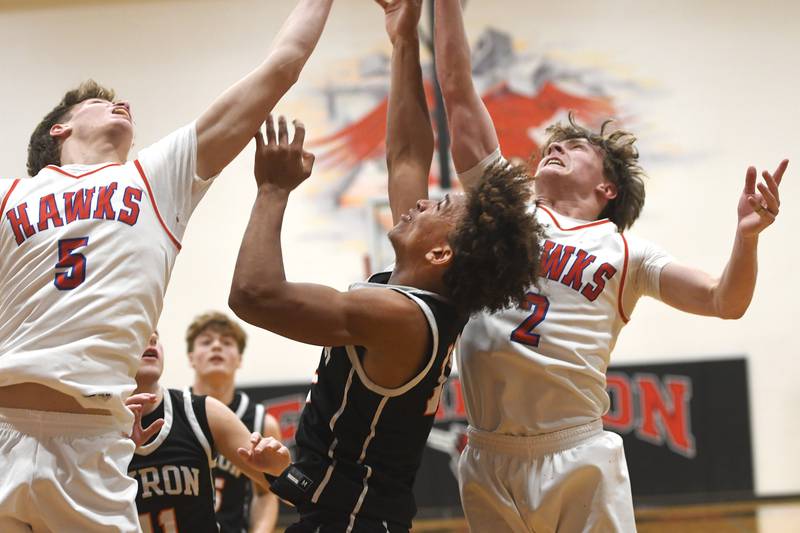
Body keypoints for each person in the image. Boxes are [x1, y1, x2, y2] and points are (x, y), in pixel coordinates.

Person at [433, 1, 789, 531]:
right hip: (487, 451)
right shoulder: (504, 209)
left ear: (608, 187)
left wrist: (746, 239)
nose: (556, 147)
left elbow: (724, 300)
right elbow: (458, 90)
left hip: (575, 451)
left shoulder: (627, 252)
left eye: (575, 146)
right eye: (553, 144)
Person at [0, 1, 334, 530]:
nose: (123, 104)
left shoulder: (155, 179)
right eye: (99, 102)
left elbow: (283, 65)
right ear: (59, 130)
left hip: (91, 442)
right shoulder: (9, 195)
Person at [227, 1, 544, 530]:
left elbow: (253, 296)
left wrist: (272, 191)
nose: (421, 203)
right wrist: (402, 37)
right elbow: (407, 157)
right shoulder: (425, 299)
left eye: (438, 207)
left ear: (440, 253)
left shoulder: (399, 318)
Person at [127, 331, 289, 533]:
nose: (151, 338)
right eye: (140, 331)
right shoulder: (95, 427)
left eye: (156, 336)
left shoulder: (203, 411)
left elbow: (293, 492)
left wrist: (282, 472)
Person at [186, 311, 282, 533]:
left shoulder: (261, 423)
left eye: (227, 342)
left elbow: (267, 494)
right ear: (191, 358)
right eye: (206, 342)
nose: (216, 346)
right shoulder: (171, 411)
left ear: (239, 359)